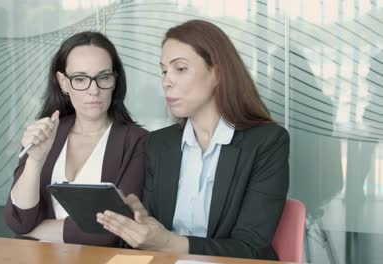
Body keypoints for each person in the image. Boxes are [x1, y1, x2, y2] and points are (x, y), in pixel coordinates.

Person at [96, 20, 290, 260]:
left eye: (180, 68)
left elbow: (249, 248)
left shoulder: (266, 142)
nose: (166, 81)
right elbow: (153, 233)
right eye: (164, 71)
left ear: (218, 73)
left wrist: (168, 243)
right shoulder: (159, 144)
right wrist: (140, 220)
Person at [4, 32, 148, 247]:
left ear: (115, 80)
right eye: (80, 79)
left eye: (103, 77)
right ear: (63, 82)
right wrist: (35, 161)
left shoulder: (137, 141)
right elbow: (18, 219)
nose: (94, 90)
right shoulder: (46, 133)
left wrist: (35, 230)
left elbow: (113, 230)